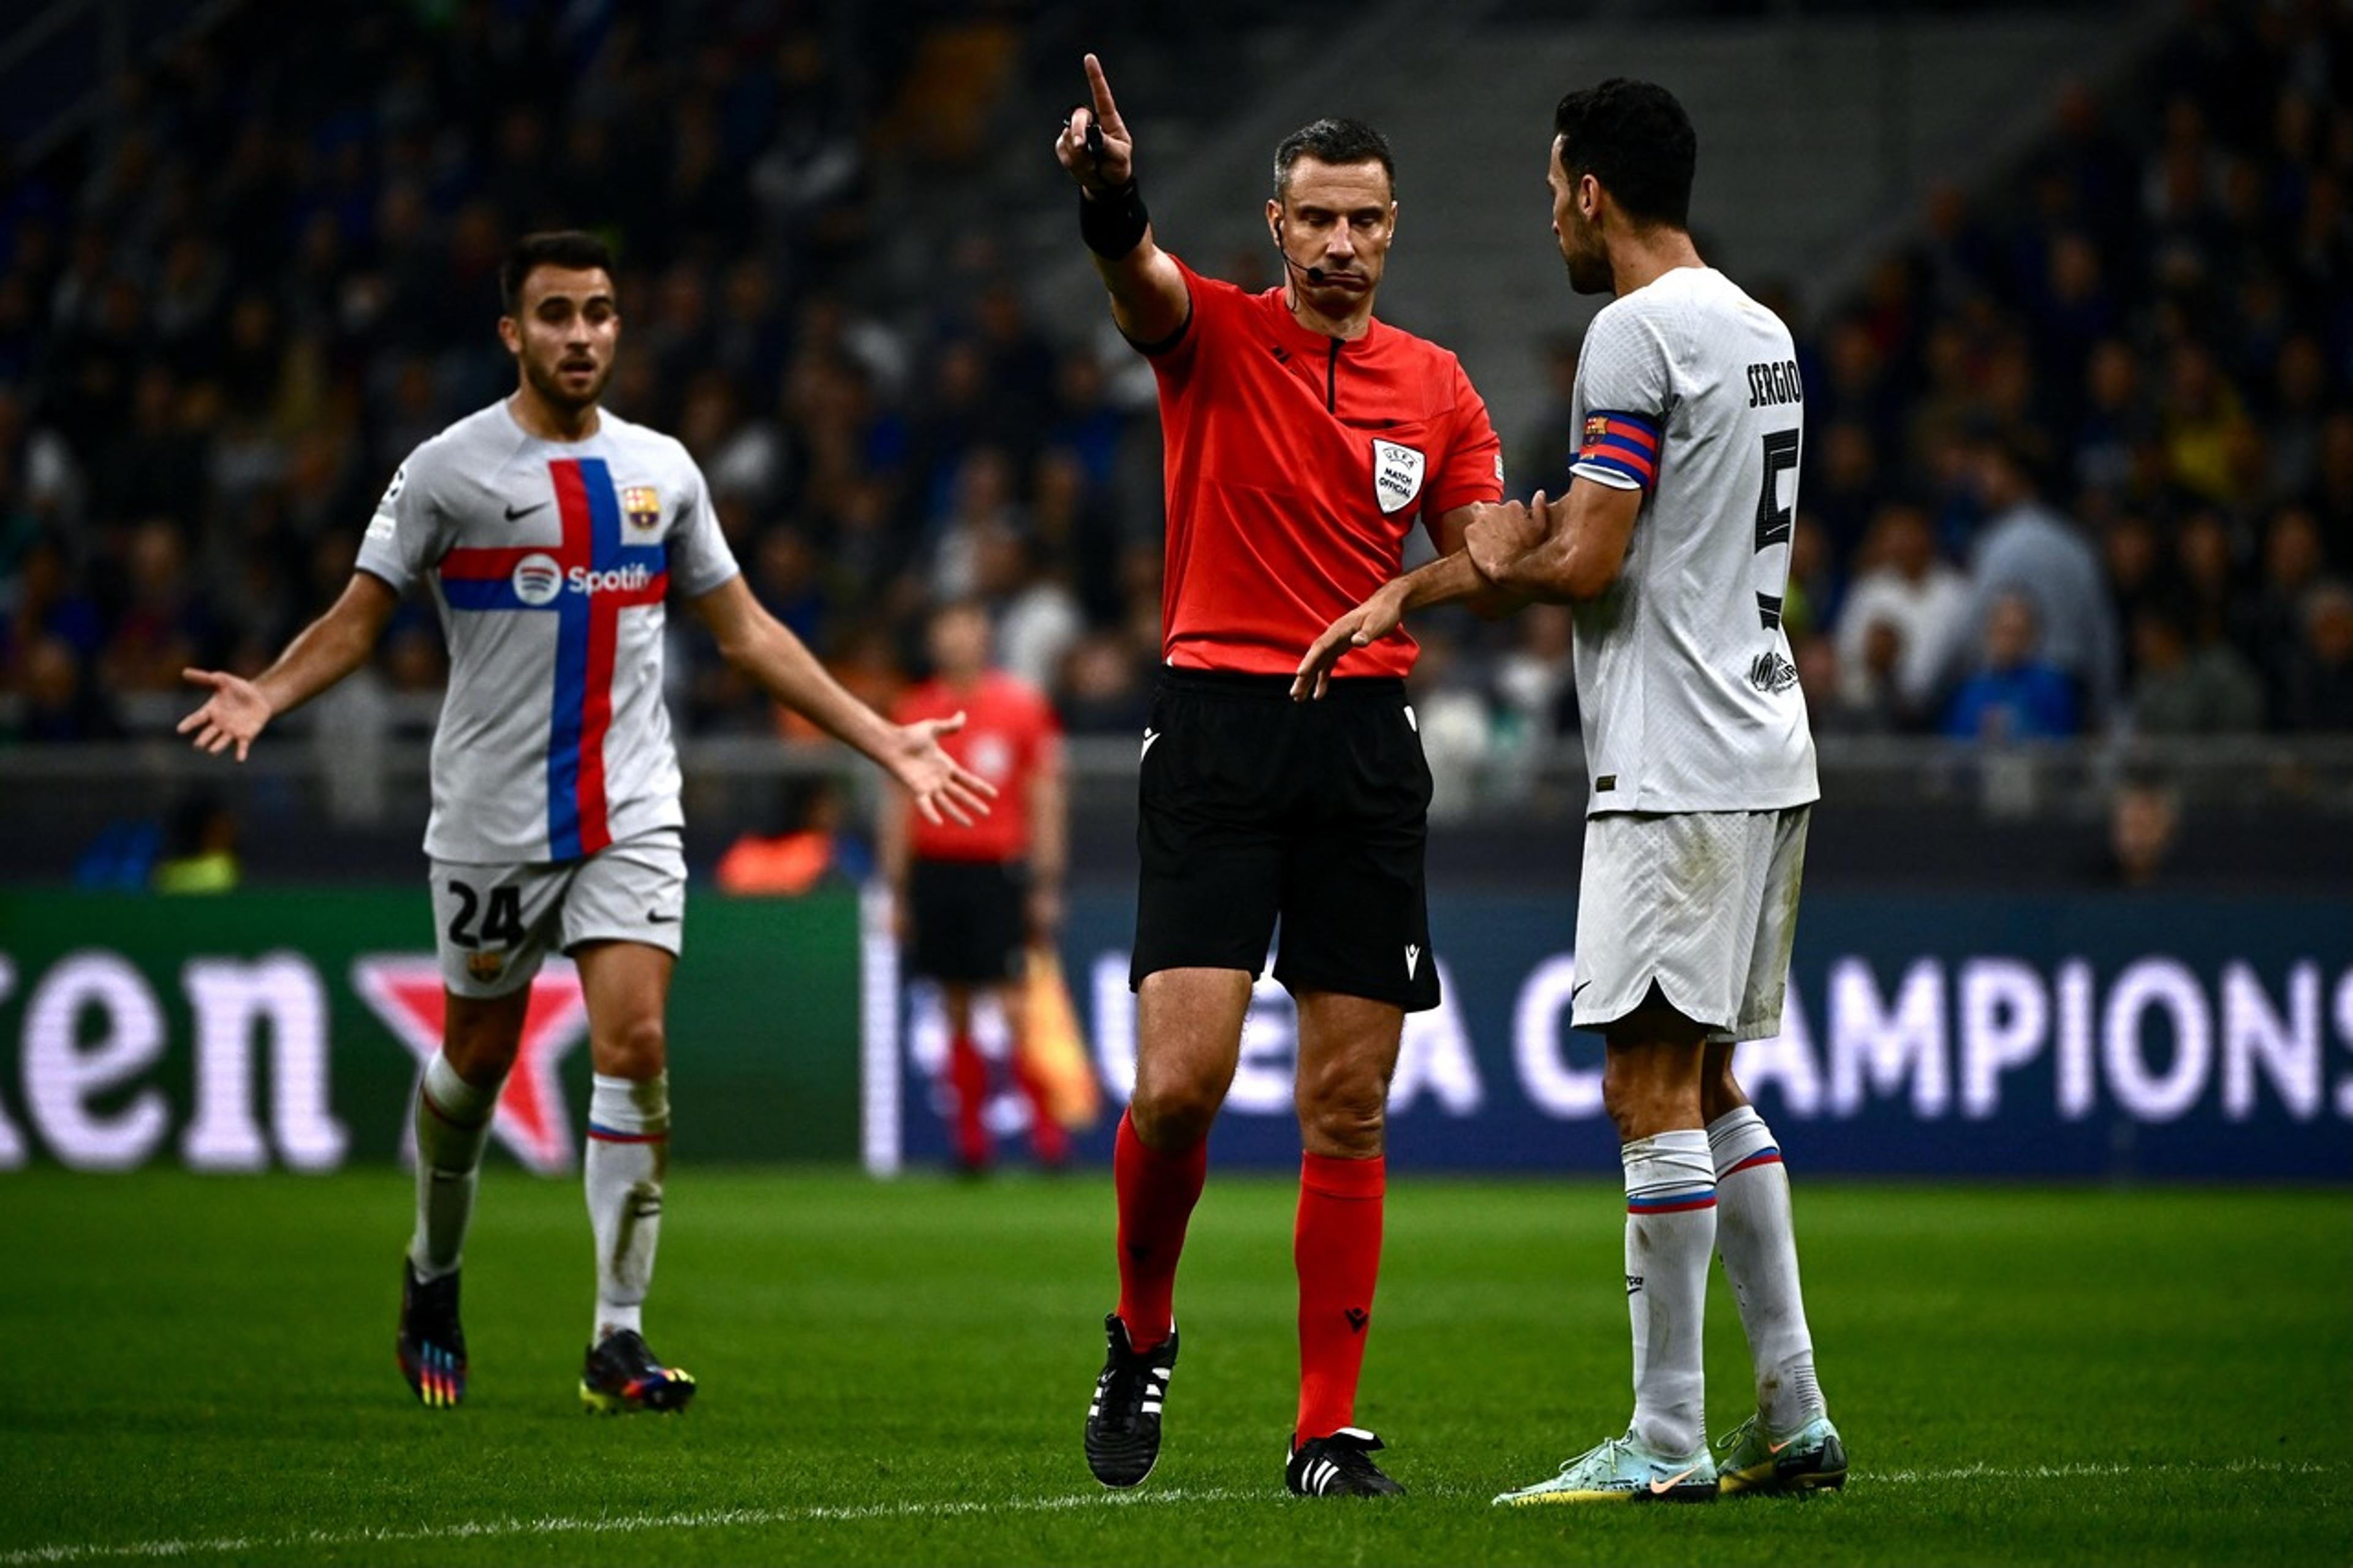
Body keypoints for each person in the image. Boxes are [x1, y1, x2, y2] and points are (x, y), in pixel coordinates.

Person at [176, 232, 992, 1414]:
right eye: (556, 314)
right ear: (513, 332)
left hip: (632, 813)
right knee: (474, 1058)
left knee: (637, 1045)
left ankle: (617, 1336)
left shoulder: (662, 471)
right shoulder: (448, 470)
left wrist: (882, 738)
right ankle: (433, 1272)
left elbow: (749, 629)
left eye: (600, 312)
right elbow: (361, 616)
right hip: (492, 824)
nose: (581, 334)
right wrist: (269, 689)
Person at [1300, 77, 1842, 1505]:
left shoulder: (1631, 332)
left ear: (1589, 190)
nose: (1548, 212)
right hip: (1763, 740)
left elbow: (1587, 558)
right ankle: (1787, 1410)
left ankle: (1664, 1435)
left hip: (1671, 762)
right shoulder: (1758, 328)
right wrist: (1531, 538)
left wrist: (1430, 577)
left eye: (1553, 189)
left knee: (1643, 1082)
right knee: (1713, 1075)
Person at [1055, 54, 1507, 1497]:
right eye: (1314, 219)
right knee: (1178, 1086)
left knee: (1348, 1104)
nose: (1338, 245)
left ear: (1390, 229)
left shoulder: (1433, 384)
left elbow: (1488, 547)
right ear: (1273, 225)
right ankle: (1140, 1328)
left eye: (1363, 220)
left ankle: (1324, 1427)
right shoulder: (1216, 337)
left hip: (1364, 744)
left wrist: (1421, 590)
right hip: (1216, 730)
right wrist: (1111, 194)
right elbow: (1137, 281)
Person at [877, 597, 1070, 1171]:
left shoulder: (1021, 708)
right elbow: (897, 803)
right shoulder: (916, 709)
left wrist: (1046, 879)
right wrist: (897, 886)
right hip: (937, 868)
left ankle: (1047, 1140)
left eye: (968, 628)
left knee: (1014, 1004)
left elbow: (1045, 795)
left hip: (998, 870)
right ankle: (971, 1145)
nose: (959, 639)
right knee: (954, 1004)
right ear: (935, 640)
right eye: (949, 629)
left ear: (984, 637)